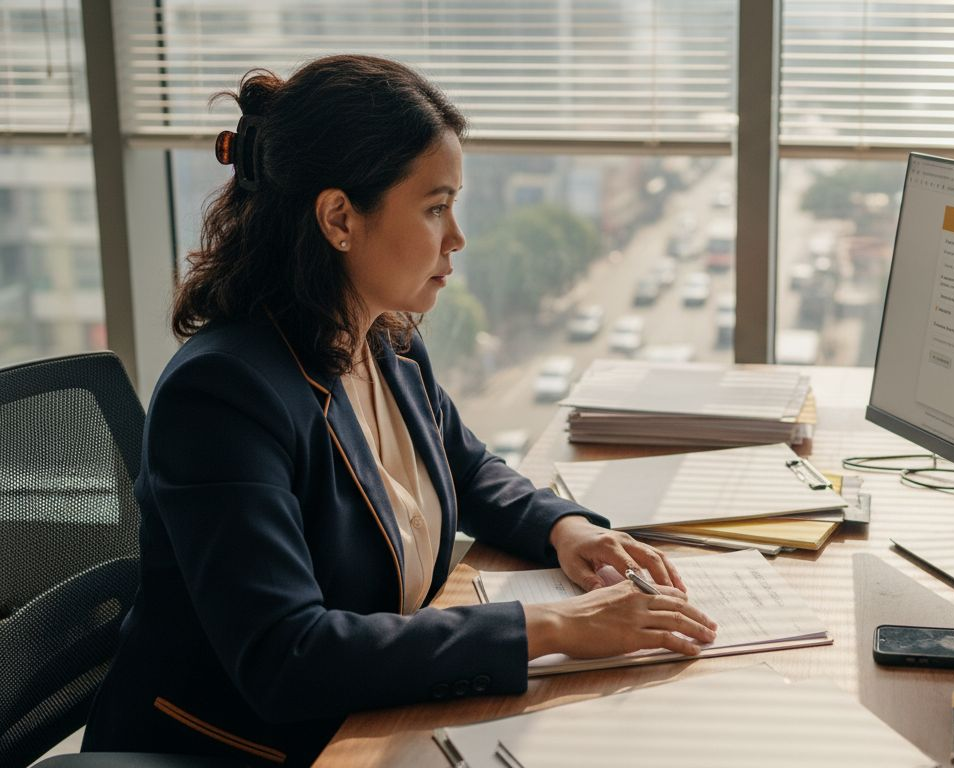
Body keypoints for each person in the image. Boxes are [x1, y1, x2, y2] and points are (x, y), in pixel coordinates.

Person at [82, 54, 716, 765]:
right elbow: (288, 656)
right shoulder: (225, 396)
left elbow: (468, 469)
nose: (457, 238)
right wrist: (557, 628)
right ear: (339, 218)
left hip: (376, 713)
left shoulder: (381, 339)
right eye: (435, 206)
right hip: (250, 749)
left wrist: (567, 530)